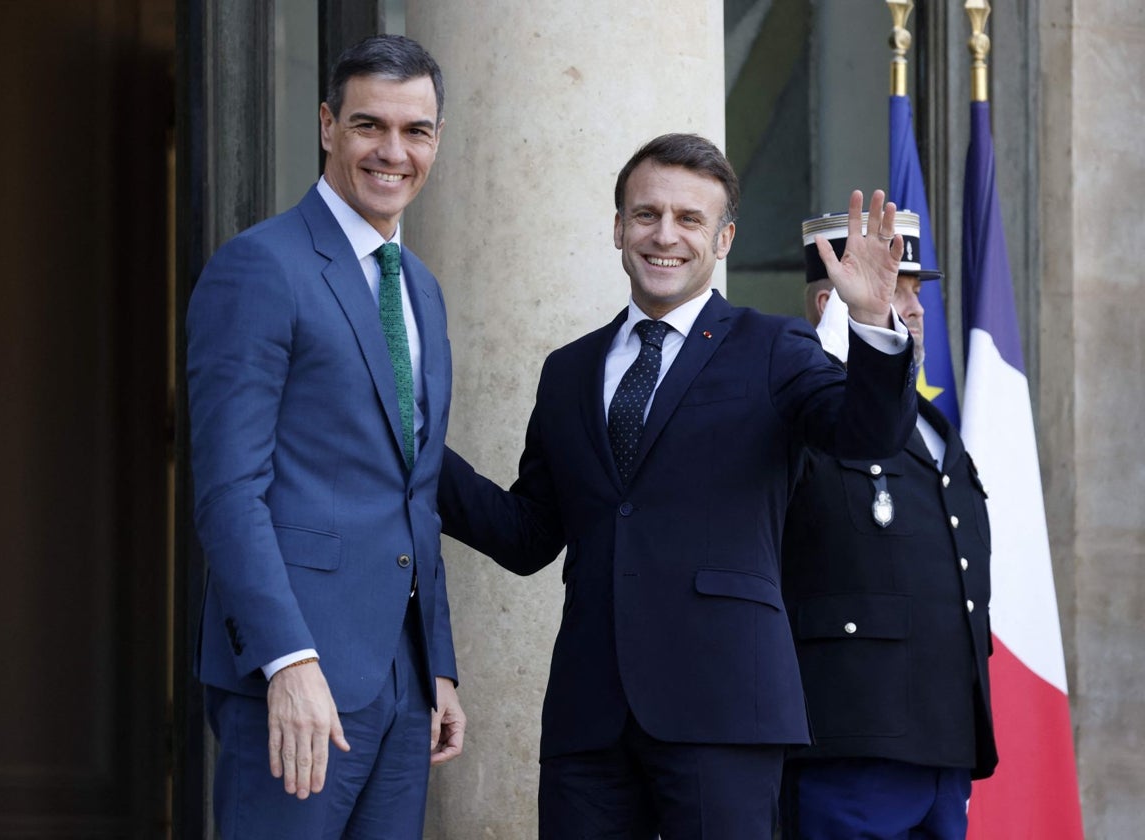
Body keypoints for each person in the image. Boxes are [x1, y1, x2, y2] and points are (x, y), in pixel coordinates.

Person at [437, 133, 917, 838]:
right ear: (618, 228)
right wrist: (414, 452)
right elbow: (528, 534)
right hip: (589, 718)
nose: (665, 235)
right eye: (646, 214)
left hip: (724, 709)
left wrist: (875, 325)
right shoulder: (568, 370)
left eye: (690, 219)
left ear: (722, 239)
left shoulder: (774, 347)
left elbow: (867, 436)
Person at [186, 34, 465, 839]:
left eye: (416, 131)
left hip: (403, 687)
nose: (393, 151)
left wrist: (434, 661)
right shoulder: (260, 267)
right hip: (297, 679)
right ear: (326, 125)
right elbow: (230, 492)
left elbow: (415, 490)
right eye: (369, 125)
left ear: (436, 139)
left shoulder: (420, 287)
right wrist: (286, 660)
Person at [778, 210, 997, 839]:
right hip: (848, 737)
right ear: (832, 297)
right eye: (896, 286)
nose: (916, 307)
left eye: (917, 291)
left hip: (945, 740)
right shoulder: (800, 406)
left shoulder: (933, 426)